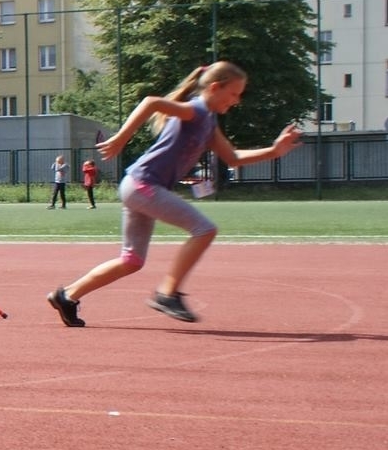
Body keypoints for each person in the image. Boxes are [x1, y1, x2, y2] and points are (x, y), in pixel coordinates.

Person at [48, 61, 300, 328]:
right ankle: (167, 293)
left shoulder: (209, 121)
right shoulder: (196, 110)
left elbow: (233, 158)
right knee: (204, 229)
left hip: (138, 186)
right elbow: (151, 102)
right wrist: (122, 137)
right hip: (143, 185)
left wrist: (274, 151)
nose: (237, 101)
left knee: (131, 260)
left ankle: (66, 296)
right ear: (215, 87)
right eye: (234, 94)